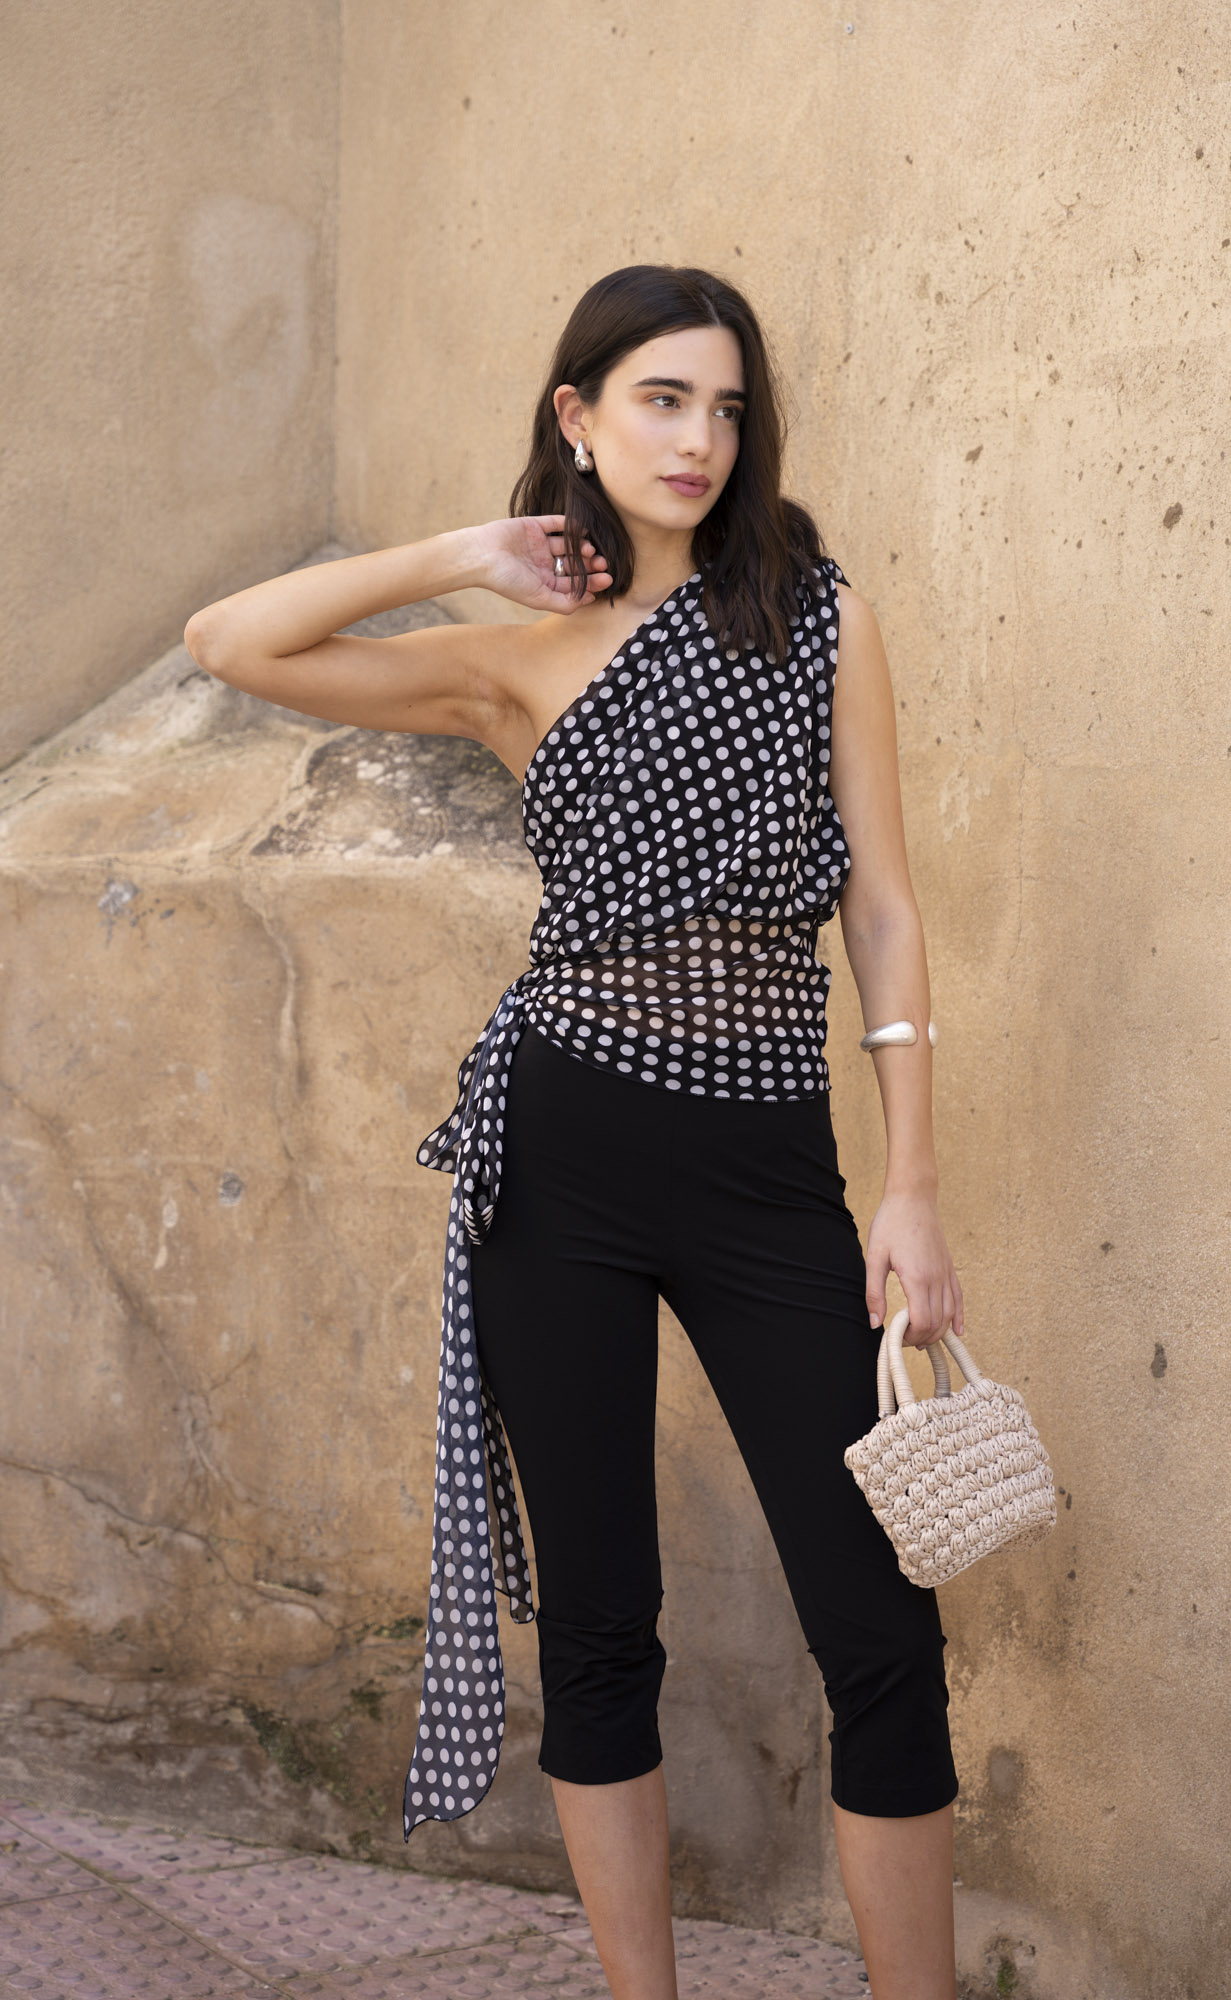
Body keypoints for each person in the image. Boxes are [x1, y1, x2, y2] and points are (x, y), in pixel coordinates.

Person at [184, 263, 965, 2000]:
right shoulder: (512, 662)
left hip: (771, 1168)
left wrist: (909, 1185)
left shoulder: (818, 621)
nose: (699, 440)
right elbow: (229, 642)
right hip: (565, 1161)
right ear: (579, 415)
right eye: (660, 399)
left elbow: (885, 910)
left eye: (726, 408)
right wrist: (465, 553)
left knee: (881, 1632)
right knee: (603, 1631)